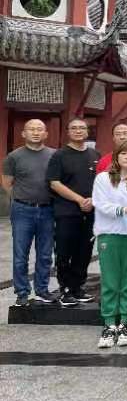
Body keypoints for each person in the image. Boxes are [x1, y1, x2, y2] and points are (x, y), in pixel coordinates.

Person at [92, 141, 127, 348]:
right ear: (116, 156)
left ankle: (125, 323)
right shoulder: (103, 178)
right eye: (124, 154)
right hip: (109, 234)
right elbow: (100, 203)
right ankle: (109, 324)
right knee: (110, 280)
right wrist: (125, 209)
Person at [46, 118, 100, 307]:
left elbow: (102, 182)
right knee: (64, 251)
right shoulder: (59, 155)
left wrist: (93, 200)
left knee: (84, 251)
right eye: (74, 128)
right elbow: (54, 182)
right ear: (68, 132)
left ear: (87, 132)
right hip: (66, 211)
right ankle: (65, 289)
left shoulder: (95, 154)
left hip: (91, 211)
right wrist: (79, 200)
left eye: (82, 128)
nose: (78, 131)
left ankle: (78, 287)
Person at [2, 119, 56, 306]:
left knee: (45, 254)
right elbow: (7, 184)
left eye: (39, 129)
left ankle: (42, 289)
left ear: (46, 134)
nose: (35, 132)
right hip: (22, 210)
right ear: (23, 133)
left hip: (48, 210)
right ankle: (22, 292)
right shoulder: (13, 157)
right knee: (20, 254)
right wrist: (23, 199)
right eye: (31, 129)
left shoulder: (54, 155)